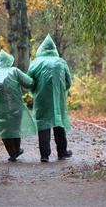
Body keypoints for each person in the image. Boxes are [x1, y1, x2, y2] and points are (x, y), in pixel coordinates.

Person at [0, 49, 37, 161]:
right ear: (8, 61)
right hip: (16, 106)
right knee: (15, 128)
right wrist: (35, 79)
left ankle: (12, 153)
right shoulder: (14, 71)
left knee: (4, 131)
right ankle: (16, 151)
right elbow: (29, 83)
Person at [28, 34, 73, 162]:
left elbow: (29, 81)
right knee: (58, 122)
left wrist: (35, 90)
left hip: (41, 97)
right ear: (54, 49)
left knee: (43, 123)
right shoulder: (61, 62)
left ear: (41, 49)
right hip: (58, 98)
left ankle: (44, 155)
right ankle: (62, 152)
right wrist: (61, 91)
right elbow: (69, 82)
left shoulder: (35, 63)